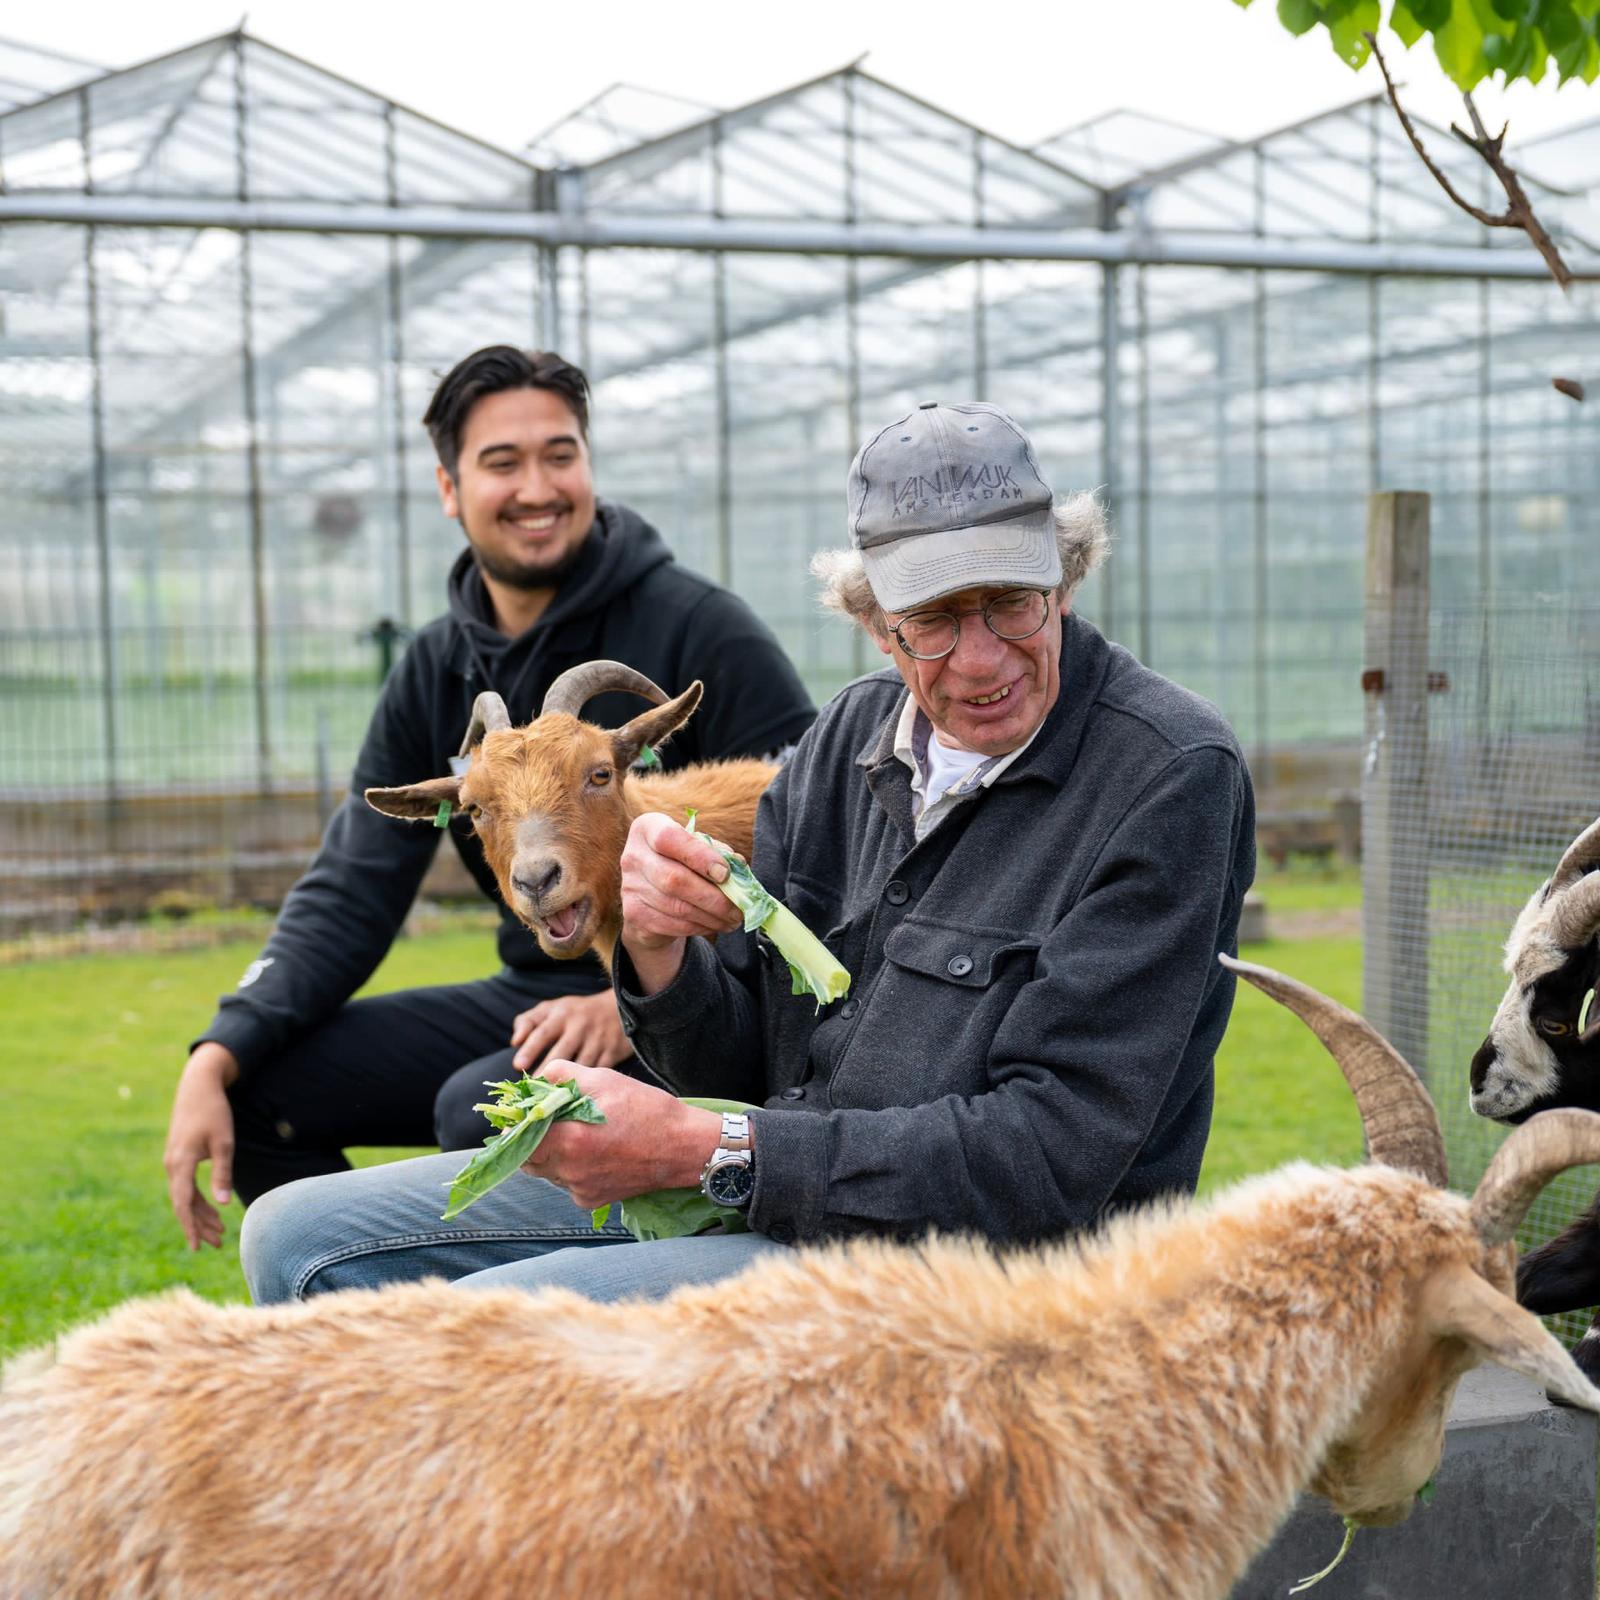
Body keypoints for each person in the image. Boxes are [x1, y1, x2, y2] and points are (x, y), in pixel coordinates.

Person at [240, 399, 1255, 1305]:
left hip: (968, 1274)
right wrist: (657, 957)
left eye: (1011, 601)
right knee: (295, 1235)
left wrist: (709, 1146)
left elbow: (1051, 1154)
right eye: (933, 621)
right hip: (771, 1194)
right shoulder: (850, 742)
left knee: (496, 1331)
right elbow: (747, 1055)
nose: (981, 657)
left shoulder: (1165, 774)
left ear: (1064, 579)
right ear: (872, 623)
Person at [164, 346, 816, 1250]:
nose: (537, 487)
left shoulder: (701, 624)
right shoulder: (434, 666)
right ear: (449, 486)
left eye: (560, 454)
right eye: (502, 463)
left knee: (482, 1120)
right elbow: (353, 882)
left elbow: (819, 833)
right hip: (537, 976)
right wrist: (220, 1047)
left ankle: (577, 1333)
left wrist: (643, 996)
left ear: (588, 463)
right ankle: (387, 1317)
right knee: (260, 1091)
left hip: (704, 998)